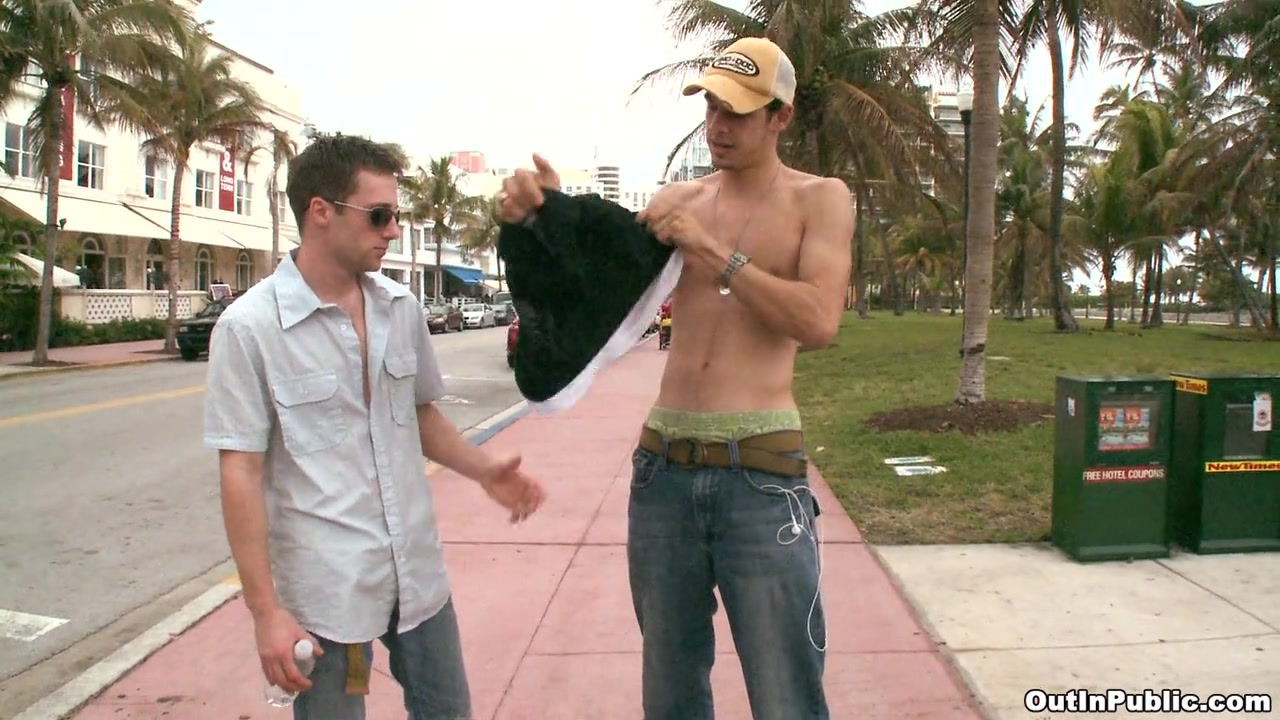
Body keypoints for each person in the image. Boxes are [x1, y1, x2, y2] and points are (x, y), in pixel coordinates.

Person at [497, 36, 853, 720]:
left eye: (739, 113)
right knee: (670, 691)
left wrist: (712, 250)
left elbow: (818, 321)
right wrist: (540, 218)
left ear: (780, 116)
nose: (719, 126)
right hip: (662, 473)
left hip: (761, 473)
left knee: (786, 692)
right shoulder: (677, 199)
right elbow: (593, 283)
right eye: (713, 108)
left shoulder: (820, 200)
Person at [205, 134, 546, 720]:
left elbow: (419, 415)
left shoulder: (399, 308)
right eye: (380, 215)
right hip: (326, 590)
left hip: (416, 572)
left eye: (397, 215)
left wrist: (485, 470)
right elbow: (240, 471)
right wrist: (266, 612)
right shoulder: (249, 328)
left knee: (448, 711)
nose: (392, 230)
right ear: (321, 213)